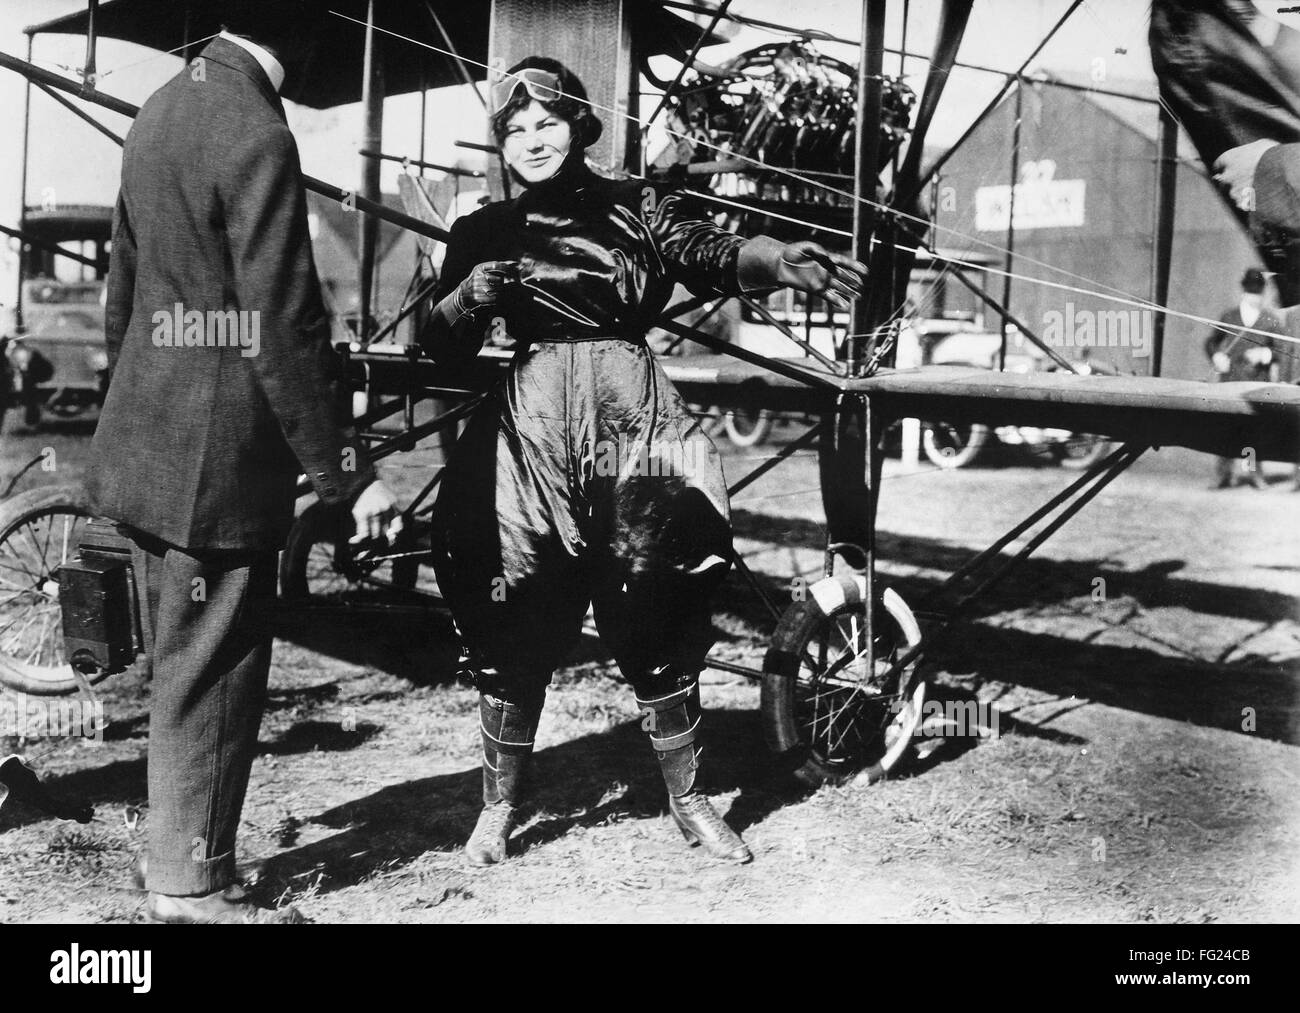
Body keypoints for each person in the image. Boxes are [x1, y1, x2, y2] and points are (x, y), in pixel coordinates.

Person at [420, 57, 867, 867]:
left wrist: (773, 258)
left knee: (658, 586)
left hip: (635, 419)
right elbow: (437, 348)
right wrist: (465, 296)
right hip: (531, 430)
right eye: (515, 129)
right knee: (513, 592)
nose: (533, 140)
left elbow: (705, 249)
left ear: (580, 125)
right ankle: (496, 809)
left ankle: (691, 801)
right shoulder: (479, 231)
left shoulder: (636, 206)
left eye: (548, 123)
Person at [85, 1, 400, 922]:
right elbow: (287, 325)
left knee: (178, 671)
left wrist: (127, 416)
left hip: (147, 440)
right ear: (298, 31)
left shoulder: (160, 106)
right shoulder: (258, 128)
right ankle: (193, 888)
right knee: (214, 671)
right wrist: (351, 473)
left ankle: (177, 863)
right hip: (214, 461)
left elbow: (126, 296)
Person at [1204, 268, 1286, 488]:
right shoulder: (1229, 317)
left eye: (1258, 293)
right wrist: (1217, 356)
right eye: (1251, 292)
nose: (1255, 297)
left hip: (1256, 384)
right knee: (1226, 429)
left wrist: (1266, 354)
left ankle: (1253, 474)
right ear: (1243, 292)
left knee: (1253, 431)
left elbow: (1282, 351)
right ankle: (1223, 474)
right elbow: (1211, 341)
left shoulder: (1270, 320)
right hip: (1230, 382)